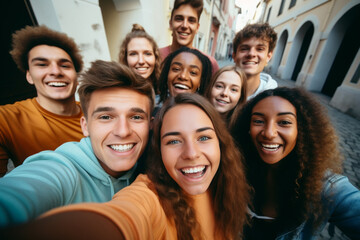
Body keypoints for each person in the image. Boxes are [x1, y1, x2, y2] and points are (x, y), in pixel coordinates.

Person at [2, 93, 250, 240]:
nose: (192, 153)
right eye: (173, 140)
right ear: (158, 149)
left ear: (221, 143)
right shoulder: (149, 196)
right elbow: (124, 216)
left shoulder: (226, 183)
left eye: (204, 137)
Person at [0, 60, 154, 227]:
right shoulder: (62, 169)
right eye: (105, 117)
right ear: (85, 126)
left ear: (150, 125)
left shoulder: (152, 165)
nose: (123, 131)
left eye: (136, 117)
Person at [232, 87, 360, 239]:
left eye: (284, 122)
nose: (269, 133)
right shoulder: (236, 169)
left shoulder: (328, 189)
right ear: (248, 127)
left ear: (302, 129)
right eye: (258, 121)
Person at [0, 25, 85, 176]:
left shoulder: (96, 113)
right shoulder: (7, 119)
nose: (56, 71)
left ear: (76, 77)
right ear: (29, 76)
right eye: (42, 64)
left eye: (64, 65)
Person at [159, 0, 219, 75]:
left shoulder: (209, 64)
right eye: (179, 19)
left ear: (197, 27)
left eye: (191, 20)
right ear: (171, 24)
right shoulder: (156, 57)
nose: (185, 25)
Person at [232, 23, 278, 100]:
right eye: (244, 49)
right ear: (234, 56)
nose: (251, 54)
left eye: (260, 49)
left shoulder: (275, 100)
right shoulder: (214, 92)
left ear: (268, 56)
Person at [118, 23, 161, 94]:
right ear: (125, 58)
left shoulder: (165, 90)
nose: (141, 61)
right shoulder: (118, 93)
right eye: (133, 54)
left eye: (147, 54)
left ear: (155, 57)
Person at [205, 65, 247, 129]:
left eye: (233, 89)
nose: (224, 93)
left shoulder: (244, 127)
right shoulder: (194, 116)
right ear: (210, 88)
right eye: (219, 86)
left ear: (241, 96)